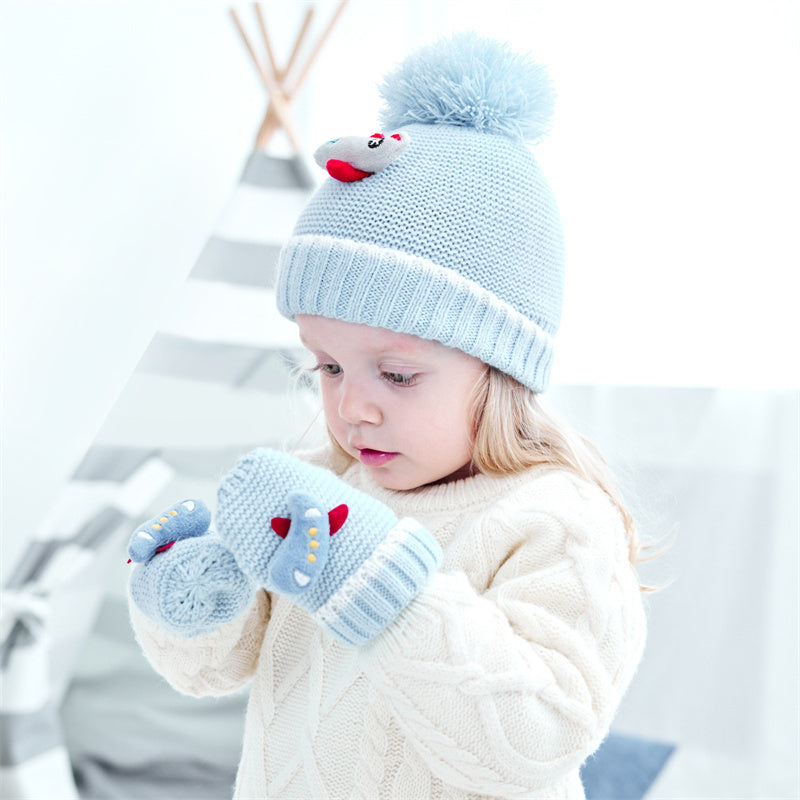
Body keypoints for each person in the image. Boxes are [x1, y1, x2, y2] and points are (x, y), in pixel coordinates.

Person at [128, 33, 647, 799]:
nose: (350, 406)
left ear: (502, 369)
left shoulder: (555, 521)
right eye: (327, 366)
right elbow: (212, 671)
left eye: (397, 375)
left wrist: (381, 584)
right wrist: (194, 602)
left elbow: (536, 741)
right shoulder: (321, 492)